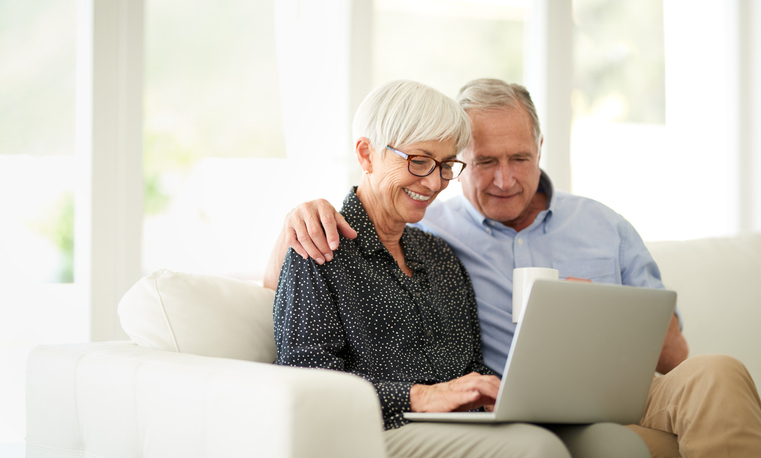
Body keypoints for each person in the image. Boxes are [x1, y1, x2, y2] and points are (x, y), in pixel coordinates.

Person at [265, 78, 761, 458]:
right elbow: (299, 348)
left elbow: (674, 354)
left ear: (540, 149)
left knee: (721, 370)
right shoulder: (381, 232)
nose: (434, 181)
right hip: (447, 414)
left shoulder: (438, 254)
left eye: (443, 166)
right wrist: (294, 222)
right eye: (481, 163)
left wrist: (600, 316)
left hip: (584, 393)